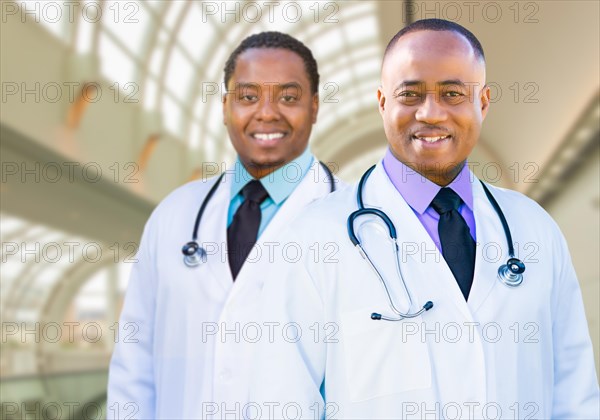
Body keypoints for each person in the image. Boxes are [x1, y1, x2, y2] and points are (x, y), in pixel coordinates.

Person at [251, 19, 599, 419]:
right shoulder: (313, 239)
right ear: (383, 103)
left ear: (482, 103)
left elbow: (575, 396)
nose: (431, 113)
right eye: (410, 94)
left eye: (453, 93)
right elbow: (278, 404)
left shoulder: (535, 230)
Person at [107, 31, 340, 419]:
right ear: (225, 106)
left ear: (314, 107)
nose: (267, 113)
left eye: (288, 97)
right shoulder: (173, 216)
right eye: (248, 97)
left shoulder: (355, 225)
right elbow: (134, 365)